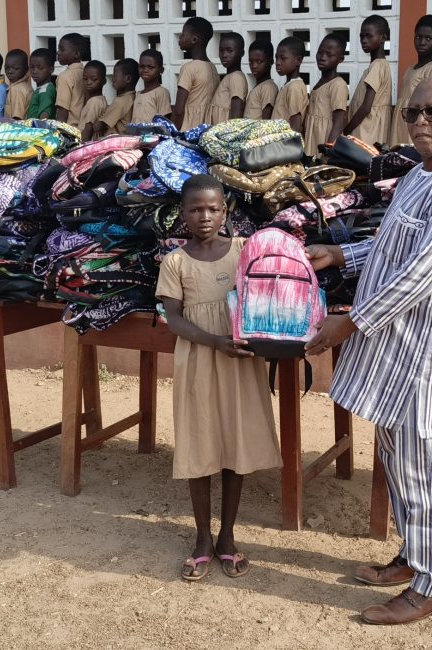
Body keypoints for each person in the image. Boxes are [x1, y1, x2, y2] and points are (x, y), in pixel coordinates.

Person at [303, 76, 432, 625]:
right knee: (398, 458)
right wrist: (341, 254)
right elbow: (392, 244)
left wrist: (351, 322)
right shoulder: (417, 175)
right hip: (398, 351)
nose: (420, 122)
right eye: (413, 112)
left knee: (429, 463)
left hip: (431, 353)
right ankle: (416, 557)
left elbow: (419, 276)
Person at [155, 174, 281, 582]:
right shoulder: (175, 261)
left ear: (225, 211)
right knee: (199, 444)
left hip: (240, 360)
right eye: (195, 209)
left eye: (212, 208)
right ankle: (202, 538)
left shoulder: (245, 251)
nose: (204, 216)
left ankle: (227, 536)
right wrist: (214, 340)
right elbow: (173, 318)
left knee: (234, 443)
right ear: (183, 214)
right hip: (199, 359)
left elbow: (270, 291)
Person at [388, 15, 432, 146]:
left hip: (417, 123)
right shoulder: (410, 69)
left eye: (428, 38)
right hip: (401, 123)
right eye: (418, 37)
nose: (422, 42)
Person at [346, 15, 393, 146]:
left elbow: (366, 108)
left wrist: (346, 130)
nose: (364, 40)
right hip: (369, 129)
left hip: (367, 131)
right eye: (362, 36)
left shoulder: (378, 66)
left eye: (369, 36)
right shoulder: (378, 65)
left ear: (383, 38)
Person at [305, 33, 349, 154]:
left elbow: (339, 121)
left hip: (325, 140)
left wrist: (329, 150)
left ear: (341, 59)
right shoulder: (320, 82)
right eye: (320, 52)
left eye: (329, 55)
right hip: (313, 138)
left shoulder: (338, 84)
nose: (322, 57)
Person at [173, 17, 219, 131]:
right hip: (205, 131)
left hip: (187, 131)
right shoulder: (213, 68)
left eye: (183, 34)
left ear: (194, 40)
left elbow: (179, 111)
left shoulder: (188, 68)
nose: (180, 37)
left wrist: (173, 134)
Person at [209, 32, 247, 124]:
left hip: (225, 133)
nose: (224, 55)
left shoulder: (236, 77)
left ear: (241, 53)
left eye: (229, 50)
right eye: (221, 51)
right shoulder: (229, 76)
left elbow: (236, 114)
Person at [274, 37, 309, 134]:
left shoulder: (294, 87)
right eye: (276, 57)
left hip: (285, 146)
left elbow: (295, 126)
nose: (277, 62)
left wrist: (291, 149)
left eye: (283, 58)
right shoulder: (289, 85)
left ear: (298, 60)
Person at [96, 58, 138, 138]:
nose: (112, 80)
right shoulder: (133, 97)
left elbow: (100, 125)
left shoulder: (121, 101)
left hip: (114, 141)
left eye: (115, 76)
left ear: (128, 78)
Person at [54, 33, 88, 123]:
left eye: (62, 49)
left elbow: (62, 110)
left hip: (70, 129)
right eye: (58, 49)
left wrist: (59, 133)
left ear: (76, 54)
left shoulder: (64, 77)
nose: (58, 52)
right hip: (83, 128)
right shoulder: (85, 73)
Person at [133, 49, 172, 124]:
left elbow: (164, 121)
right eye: (142, 66)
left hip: (153, 135)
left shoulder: (161, 92)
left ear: (161, 70)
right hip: (136, 135)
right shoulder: (137, 94)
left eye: (150, 67)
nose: (145, 70)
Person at [243, 39, 278, 120]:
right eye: (251, 62)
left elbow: (266, 122)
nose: (254, 66)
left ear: (271, 61)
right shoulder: (260, 86)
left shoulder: (268, 87)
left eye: (259, 61)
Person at [77, 61, 108, 141]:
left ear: (104, 81)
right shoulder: (100, 100)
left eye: (94, 79)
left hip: (86, 145)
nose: (89, 82)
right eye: (85, 79)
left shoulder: (94, 102)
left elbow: (88, 129)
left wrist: (79, 149)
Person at [26, 48, 57, 120]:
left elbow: (45, 114)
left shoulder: (46, 89)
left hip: (39, 129)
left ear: (51, 69)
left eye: (40, 68)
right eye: (32, 67)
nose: (34, 71)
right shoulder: (41, 88)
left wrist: (41, 129)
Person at [3, 49, 32, 119]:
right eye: (7, 68)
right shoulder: (26, 86)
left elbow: (17, 118)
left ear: (26, 69)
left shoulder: (17, 89)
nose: (10, 71)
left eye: (15, 68)